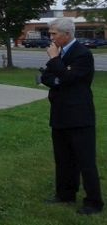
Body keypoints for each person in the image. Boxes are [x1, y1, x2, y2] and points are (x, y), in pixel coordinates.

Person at [40, 18, 103, 215]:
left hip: (79, 115)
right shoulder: (58, 53)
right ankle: (65, 193)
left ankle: (93, 202)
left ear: (67, 34)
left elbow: (69, 77)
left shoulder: (82, 54)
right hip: (60, 113)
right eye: (50, 34)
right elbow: (47, 77)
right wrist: (59, 73)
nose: (50, 37)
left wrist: (55, 62)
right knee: (63, 157)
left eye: (54, 34)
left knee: (85, 160)